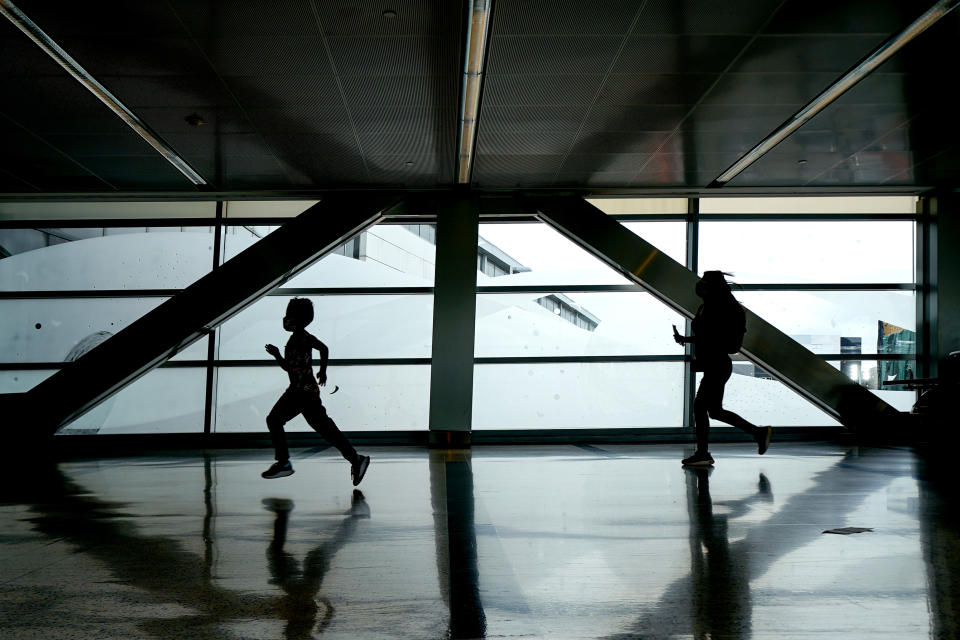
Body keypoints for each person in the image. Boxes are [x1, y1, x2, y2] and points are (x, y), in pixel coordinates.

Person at [262, 297, 370, 484]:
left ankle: (284, 463)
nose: (286, 319)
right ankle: (356, 459)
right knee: (326, 429)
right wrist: (277, 354)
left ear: (300, 319)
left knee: (274, 419)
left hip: (301, 392)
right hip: (305, 392)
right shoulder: (296, 339)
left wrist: (323, 371)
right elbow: (290, 367)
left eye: (290, 315)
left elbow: (323, 349)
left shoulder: (303, 338)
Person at [673, 271, 771, 466]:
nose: (701, 285)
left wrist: (701, 339)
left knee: (700, 406)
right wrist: (688, 340)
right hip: (714, 365)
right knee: (714, 411)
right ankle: (758, 433)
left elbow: (727, 342)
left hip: (717, 365)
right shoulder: (711, 305)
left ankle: (703, 453)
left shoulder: (725, 308)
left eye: (705, 282)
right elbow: (710, 335)